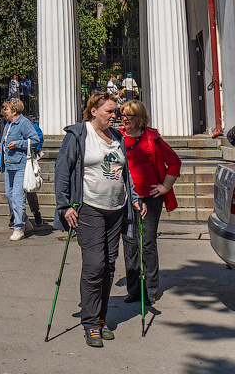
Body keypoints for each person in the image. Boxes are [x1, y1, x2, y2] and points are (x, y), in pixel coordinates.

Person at [54, 92, 142, 347]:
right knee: (94, 265)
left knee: (109, 266)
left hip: (116, 209)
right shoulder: (78, 135)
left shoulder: (117, 137)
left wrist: (134, 198)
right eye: (109, 111)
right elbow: (63, 170)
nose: (115, 116)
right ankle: (90, 323)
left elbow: (125, 172)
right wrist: (64, 206)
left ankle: (101, 318)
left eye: (115, 112)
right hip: (89, 209)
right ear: (93, 111)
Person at [119, 99, 180, 306]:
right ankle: (134, 290)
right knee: (130, 243)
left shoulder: (152, 138)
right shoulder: (117, 137)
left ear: (140, 118)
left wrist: (165, 187)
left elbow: (174, 162)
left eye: (129, 115)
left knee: (147, 242)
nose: (124, 118)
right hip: (126, 199)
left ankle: (150, 290)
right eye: (122, 114)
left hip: (150, 198)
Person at [0, 98, 40, 242]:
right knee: (9, 195)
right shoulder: (8, 124)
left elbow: (35, 140)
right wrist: (0, 146)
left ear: (14, 110)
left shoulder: (24, 123)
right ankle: (25, 221)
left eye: (6, 109)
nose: (4, 111)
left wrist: (18, 144)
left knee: (18, 197)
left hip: (20, 166)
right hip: (9, 165)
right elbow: (6, 142)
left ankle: (18, 228)